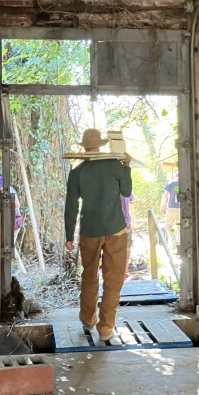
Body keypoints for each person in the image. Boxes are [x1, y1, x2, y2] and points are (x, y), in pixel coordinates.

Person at [64, 128, 132, 341]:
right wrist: (127, 168)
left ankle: (87, 319)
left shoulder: (77, 172)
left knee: (89, 275)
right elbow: (127, 192)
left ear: (84, 146)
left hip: (89, 231)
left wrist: (68, 235)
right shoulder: (115, 165)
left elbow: (71, 206)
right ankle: (106, 328)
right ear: (101, 145)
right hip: (116, 231)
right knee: (113, 278)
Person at [160, 174, 180, 248]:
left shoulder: (171, 183)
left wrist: (162, 205)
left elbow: (165, 195)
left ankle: (174, 242)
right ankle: (180, 243)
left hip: (172, 208)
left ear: (175, 176)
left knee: (168, 226)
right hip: (182, 209)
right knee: (179, 227)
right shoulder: (185, 183)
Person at [121, 192, 136, 279]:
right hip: (124, 223)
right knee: (126, 249)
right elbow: (133, 199)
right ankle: (124, 272)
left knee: (126, 249)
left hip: (116, 223)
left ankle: (124, 272)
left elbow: (132, 198)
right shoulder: (125, 190)